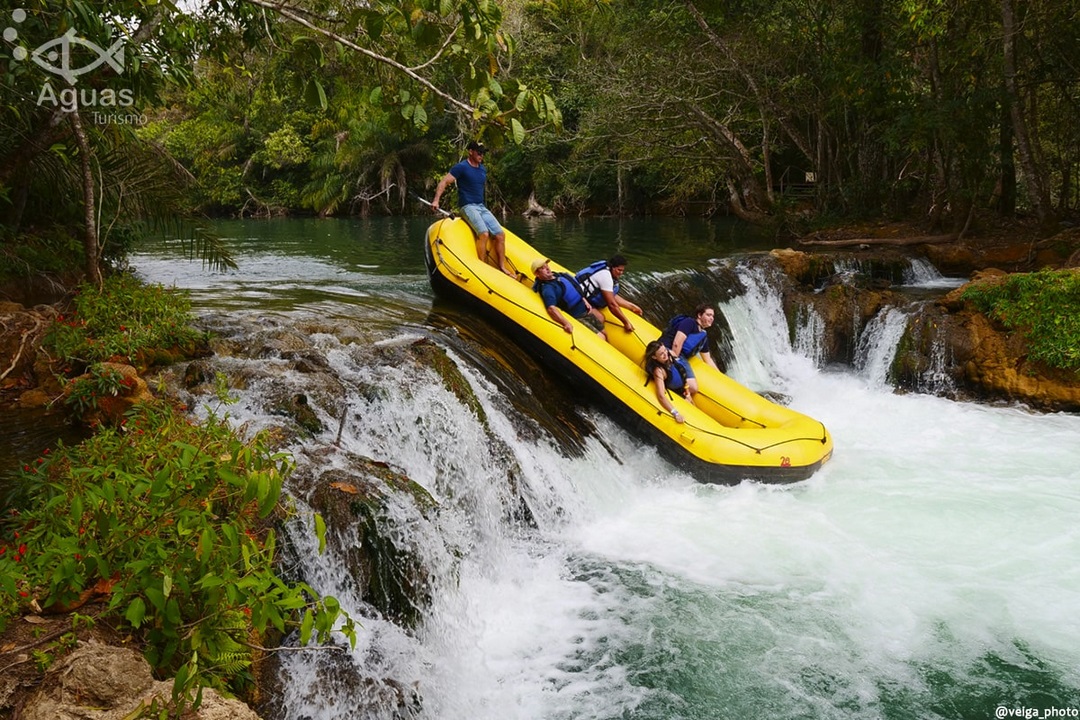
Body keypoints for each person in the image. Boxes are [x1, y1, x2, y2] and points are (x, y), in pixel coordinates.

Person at [431, 140, 515, 277]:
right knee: (484, 233)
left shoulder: (483, 169)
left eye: (483, 153)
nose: (481, 155)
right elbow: (444, 181)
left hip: (481, 206)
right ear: (470, 152)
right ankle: (481, 267)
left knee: (500, 235)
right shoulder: (461, 167)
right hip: (467, 206)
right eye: (479, 152)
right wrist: (436, 200)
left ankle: (502, 267)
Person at [531, 258, 607, 340]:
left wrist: (584, 300)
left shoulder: (558, 275)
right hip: (578, 317)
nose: (547, 268)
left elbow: (575, 287)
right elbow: (551, 309)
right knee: (601, 338)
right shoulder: (548, 288)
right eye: (542, 268)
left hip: (585, 309)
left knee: (604, 333)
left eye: (546, 266)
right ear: (537, 274)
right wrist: (566, 323)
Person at [575, 255, 643, 333]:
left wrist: (631, 306)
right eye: (619, 270)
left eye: (622, 271)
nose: (621, 273)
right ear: (612, 267)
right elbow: (612, 305)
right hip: (578, 296)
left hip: (584, 295)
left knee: (600, 318)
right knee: (600, 318)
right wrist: (626, 322)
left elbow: (611, 295)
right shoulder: (605, 276)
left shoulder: (608, 270)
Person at [643, 339, 697, 423]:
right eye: (661, 354)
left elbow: (682, 373)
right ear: (654, 357)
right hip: (676, 393)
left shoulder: (670, 354)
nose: (665, 354)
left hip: (683, 390)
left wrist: (688, 393)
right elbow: (661, 396)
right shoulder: (659, 371)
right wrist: (675, 413)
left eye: (665, 350)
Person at [660, 303, 720, 370]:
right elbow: (676, 343)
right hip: (667, 349)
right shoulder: (689, 322)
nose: (711, 318)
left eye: (713, 316)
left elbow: (708, 360)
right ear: (699, 315)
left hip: (680, 356)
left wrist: (721, 376)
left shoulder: (703, 336)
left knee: (690, 379)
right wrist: (674, 364)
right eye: (708, 315)